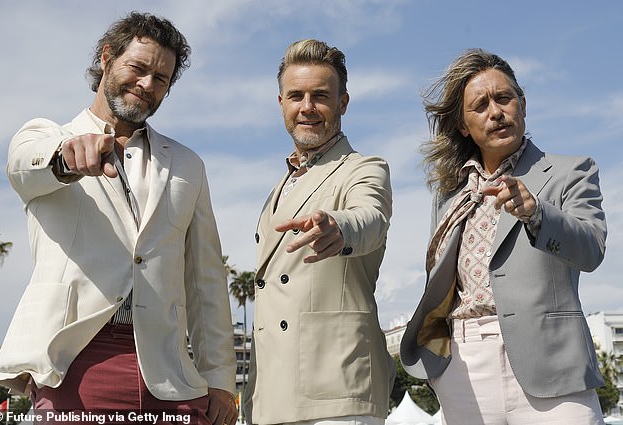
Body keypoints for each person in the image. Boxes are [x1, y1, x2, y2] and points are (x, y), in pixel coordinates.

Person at [0, 12, 237, 424]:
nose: (147, 85)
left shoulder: (188, 166)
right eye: (138, 68)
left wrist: (221, 381)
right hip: (73, 365)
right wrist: (65, 158)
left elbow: (206, 283)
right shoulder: (43, 138)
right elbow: (23, 167)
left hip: (171, 373)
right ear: (106, 58)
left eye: (161, 79)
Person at [399, 48, 607, 424]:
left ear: (522, 105)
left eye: (504, 98)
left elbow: (591, 250)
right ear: (463, 125)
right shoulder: (448, 195)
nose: (495, 112)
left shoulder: (571, 171)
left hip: (553, 369)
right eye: (480, 105)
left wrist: (537, 213)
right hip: (462, 368)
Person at [243, 39, 395, 425]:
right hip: (270, 395)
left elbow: (370, 217)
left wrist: (339, 228)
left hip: (335, 390)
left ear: (343, 103)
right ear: (281, 104)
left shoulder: (364, 168)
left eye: (320, 96)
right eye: (296, 95)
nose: (306, 107)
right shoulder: (280, 187)